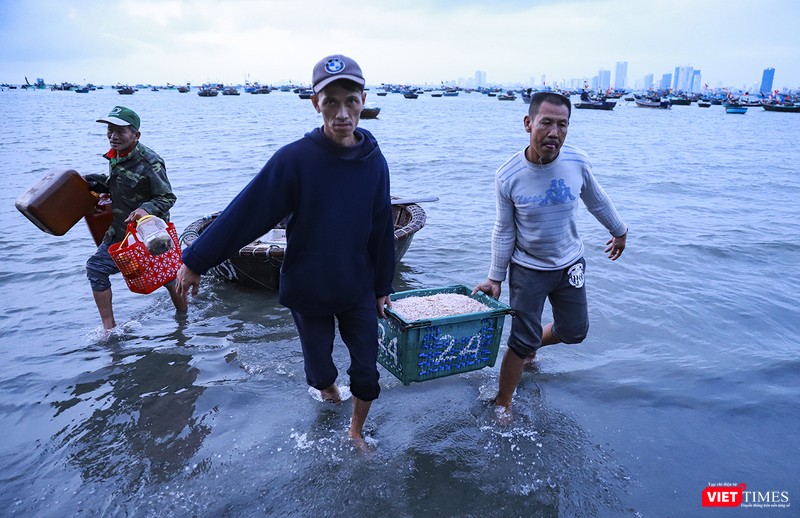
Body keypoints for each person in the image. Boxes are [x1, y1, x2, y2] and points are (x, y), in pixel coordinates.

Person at [175, 55, 395, 442]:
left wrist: (382, 287)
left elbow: (381, 229)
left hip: (356, 286)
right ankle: (328, 392)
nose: (341, 113)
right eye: (331, 102)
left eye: (350, 101)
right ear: (315, 103)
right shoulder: (295, 159)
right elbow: (247, 212)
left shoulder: (375, 162)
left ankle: (356, 432)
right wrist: (196, 260)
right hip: (308, 287)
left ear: (363, 100)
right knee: (321, 372)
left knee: (367, 371)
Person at [473, 92, 628, 413]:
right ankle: (503, 403)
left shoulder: (577, 162)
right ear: (528, 123)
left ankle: (530, 345)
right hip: (528, 270)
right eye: (546, 123)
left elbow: (597, 200)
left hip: (570, 264)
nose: (554, 132)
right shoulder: (508, 175)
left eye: (562, 124)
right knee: (520, 341)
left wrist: (619, 231)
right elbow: (504, 229)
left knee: (574, 332)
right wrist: (494, 277)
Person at [84, 106, 186, 331]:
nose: (113, 136)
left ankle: (184, 320)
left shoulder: (150, 162)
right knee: (96, 268)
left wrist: (145, 209)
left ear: (136, 135)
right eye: (110, 130)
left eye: (120, 131)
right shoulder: (116, 157)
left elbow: (167, 197)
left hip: (150, 234)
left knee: (169, 278)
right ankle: (109, 330)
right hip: (119, 232)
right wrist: (95, 184)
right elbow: (120, 186)